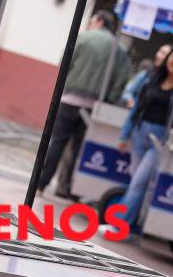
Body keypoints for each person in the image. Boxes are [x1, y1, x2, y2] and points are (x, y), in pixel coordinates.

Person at [38, 10, 131, 199]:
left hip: (70, 100)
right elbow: (121, 81)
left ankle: (41, 183)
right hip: (94, 108)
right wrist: (108, 100)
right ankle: (69, 190)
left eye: (91, 21)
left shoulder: (82, 37)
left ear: (99, 21)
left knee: (57, 143)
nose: (89, 24)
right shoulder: (118, 49)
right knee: (80, 150)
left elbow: (65, 63)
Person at [113, 47, 173, 230]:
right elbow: (135, 109)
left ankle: (118, 224)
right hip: (140, 133)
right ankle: (134, 224)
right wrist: (124, 135)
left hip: (159, 140)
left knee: (139, 181)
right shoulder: (152, 80)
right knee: (136, 182)